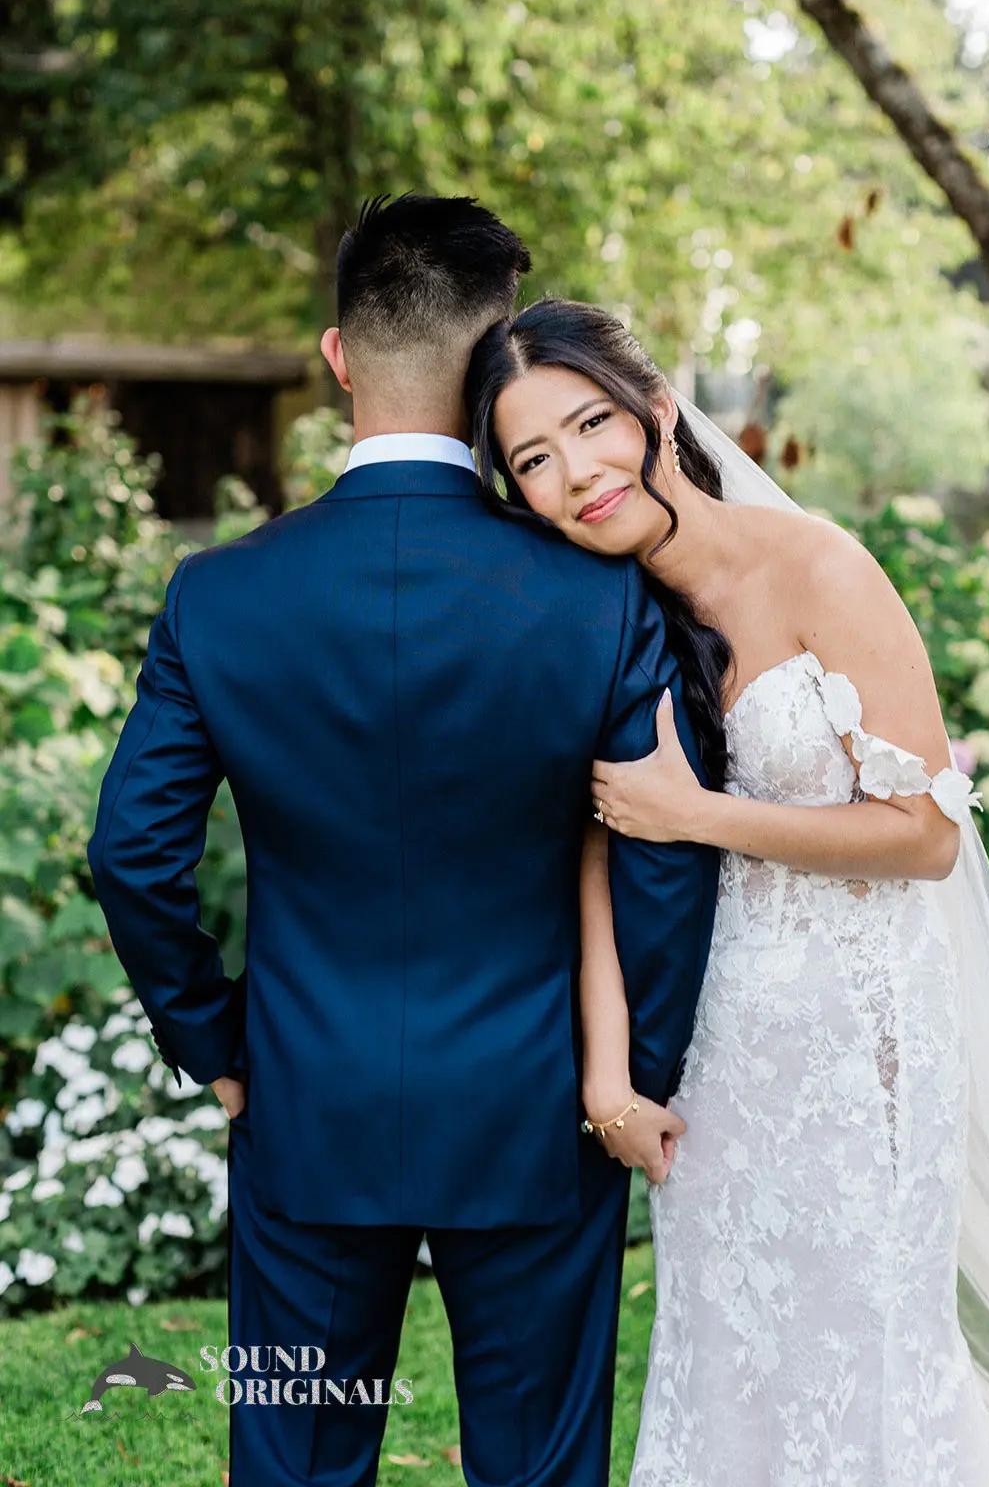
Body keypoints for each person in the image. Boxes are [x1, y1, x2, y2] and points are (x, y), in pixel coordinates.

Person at [86, 198, 720, 1487]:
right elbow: (658, 851)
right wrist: (628, 1078)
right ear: (495, 364)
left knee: (298, 1458)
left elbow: (133, 853)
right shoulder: (597, 591)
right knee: (536, 1470)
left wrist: (218, 1045)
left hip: (305, 1098)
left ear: (337, 356)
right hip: (541, 1107)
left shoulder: (218, 594)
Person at [466, 296, 989, 1485]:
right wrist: (608, 1078)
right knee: (727, 1358)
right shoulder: (597, 616)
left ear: (654, 409)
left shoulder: (817, 567)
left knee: (871, 1359)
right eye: (531, 460)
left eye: (589, 425)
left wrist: (696, 815)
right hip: (712, 1052)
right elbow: (594, 851)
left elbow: (923, 837)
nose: (575, 473)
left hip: (864, 1043)